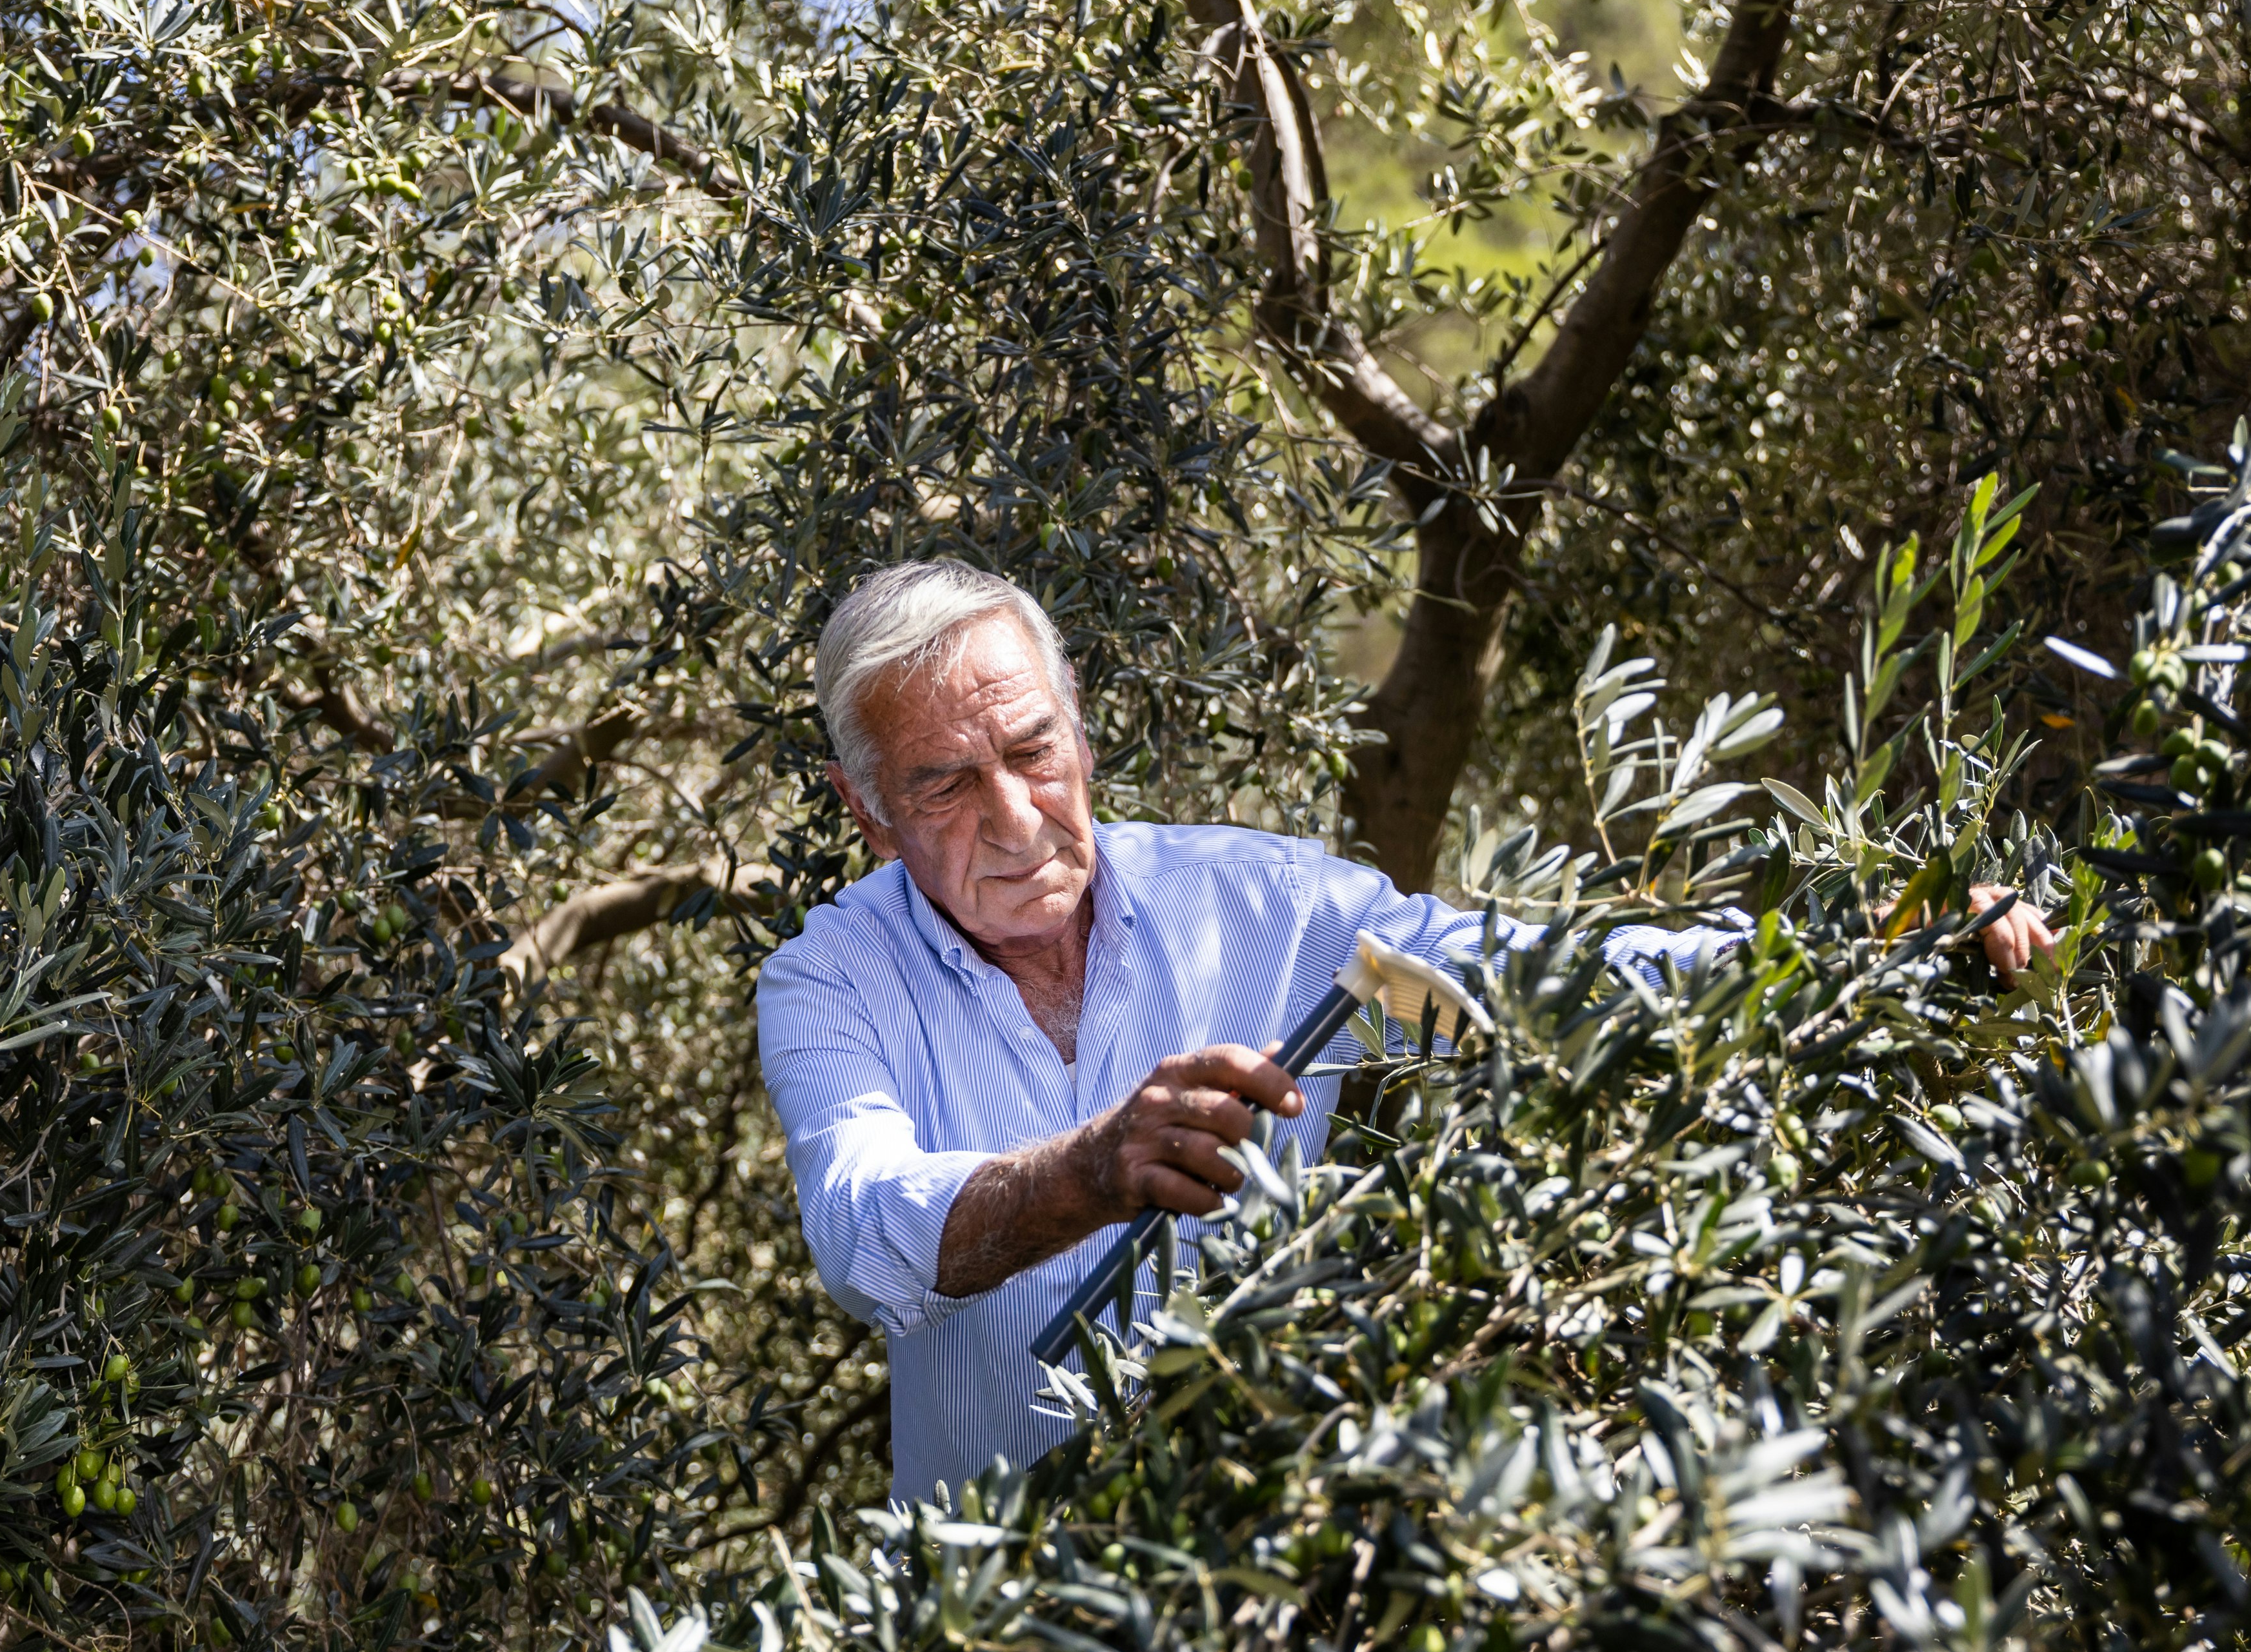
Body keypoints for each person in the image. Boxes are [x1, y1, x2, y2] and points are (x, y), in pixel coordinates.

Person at [755, 561, 2053, 1503]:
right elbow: (866, 1231)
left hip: (1273, 1554)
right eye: (944, 786)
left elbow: (1526, 976)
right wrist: (1090, 1169)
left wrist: (1863, 949)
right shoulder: (831, 984)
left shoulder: (1255, 901)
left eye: (1034, 751)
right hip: (996, 1606)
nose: (1018, 816)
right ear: (868, 815)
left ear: (1080, 721)